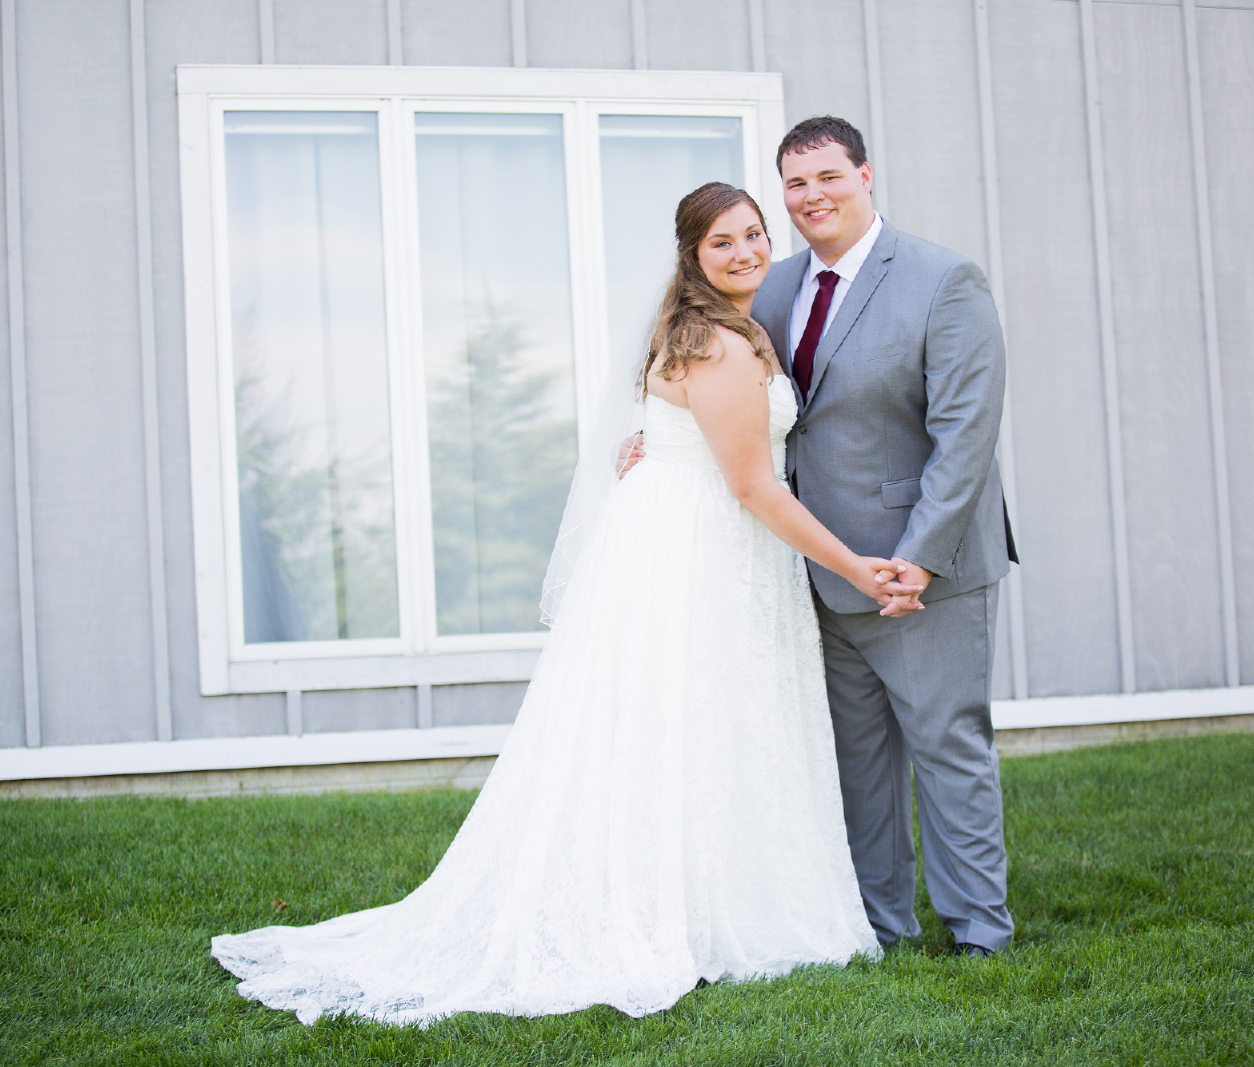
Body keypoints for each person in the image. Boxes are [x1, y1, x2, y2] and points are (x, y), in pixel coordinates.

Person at [211, 182, 895, 1025]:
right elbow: (752, 483)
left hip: (691, 545)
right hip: (702, 556)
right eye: (723, 242)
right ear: (693, 257)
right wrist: (857, 568)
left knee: (697, 730)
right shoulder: (717, 342)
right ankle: (689, 911)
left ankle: (705, 899)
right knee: (697, 724)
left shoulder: (711, 329)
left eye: (755, 234)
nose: (748, 251)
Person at [623, 116, 1017, 957]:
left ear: (866, 176)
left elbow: (966, 436)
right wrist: (654, 437)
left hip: (919, 570)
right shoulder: (768, 284)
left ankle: (980, 930)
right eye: (795, 184)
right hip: (810, 566)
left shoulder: (944, 280)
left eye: (828, 178)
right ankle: (876, 922)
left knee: (948, 748)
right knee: (855, 764)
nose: (812, 198)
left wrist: (914, 558)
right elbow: (723, 398)